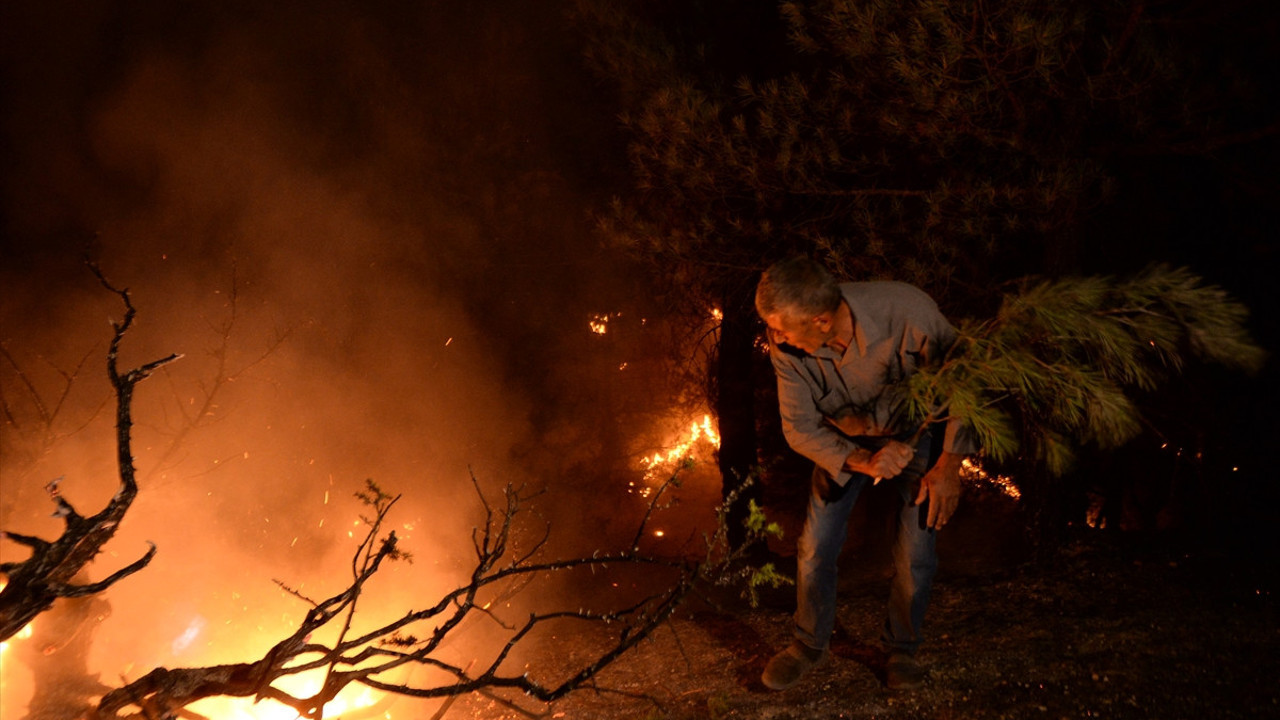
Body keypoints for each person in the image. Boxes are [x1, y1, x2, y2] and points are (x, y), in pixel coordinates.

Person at [754, 256, 973, 691]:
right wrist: (863, 460)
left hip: (916, 434)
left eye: (780, 328)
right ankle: (808, 644)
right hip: (843, 443)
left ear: (820, 321)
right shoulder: (787, 350)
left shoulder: (907, 312)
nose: (774, 337)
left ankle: (902, 649)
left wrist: (949, 465)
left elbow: (966, 380)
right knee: (815, 546)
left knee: (916, 551)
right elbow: (799, 428)